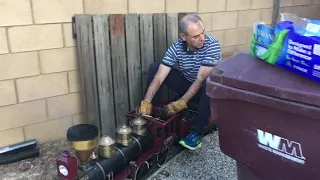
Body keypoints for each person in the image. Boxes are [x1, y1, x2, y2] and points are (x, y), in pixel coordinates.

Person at [138, 13, 222, 150]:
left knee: (209, 80)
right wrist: (146, 101)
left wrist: (180, 103)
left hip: (206, 91)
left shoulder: (212, 45)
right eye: (196, 36)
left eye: (203, 33)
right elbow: (160, 76)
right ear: (183, 37)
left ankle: (196, 133)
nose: (202, 38)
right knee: (155, 67)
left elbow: (200, 79)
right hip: (189, 84)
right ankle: (154, 116)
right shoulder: (177, 47)